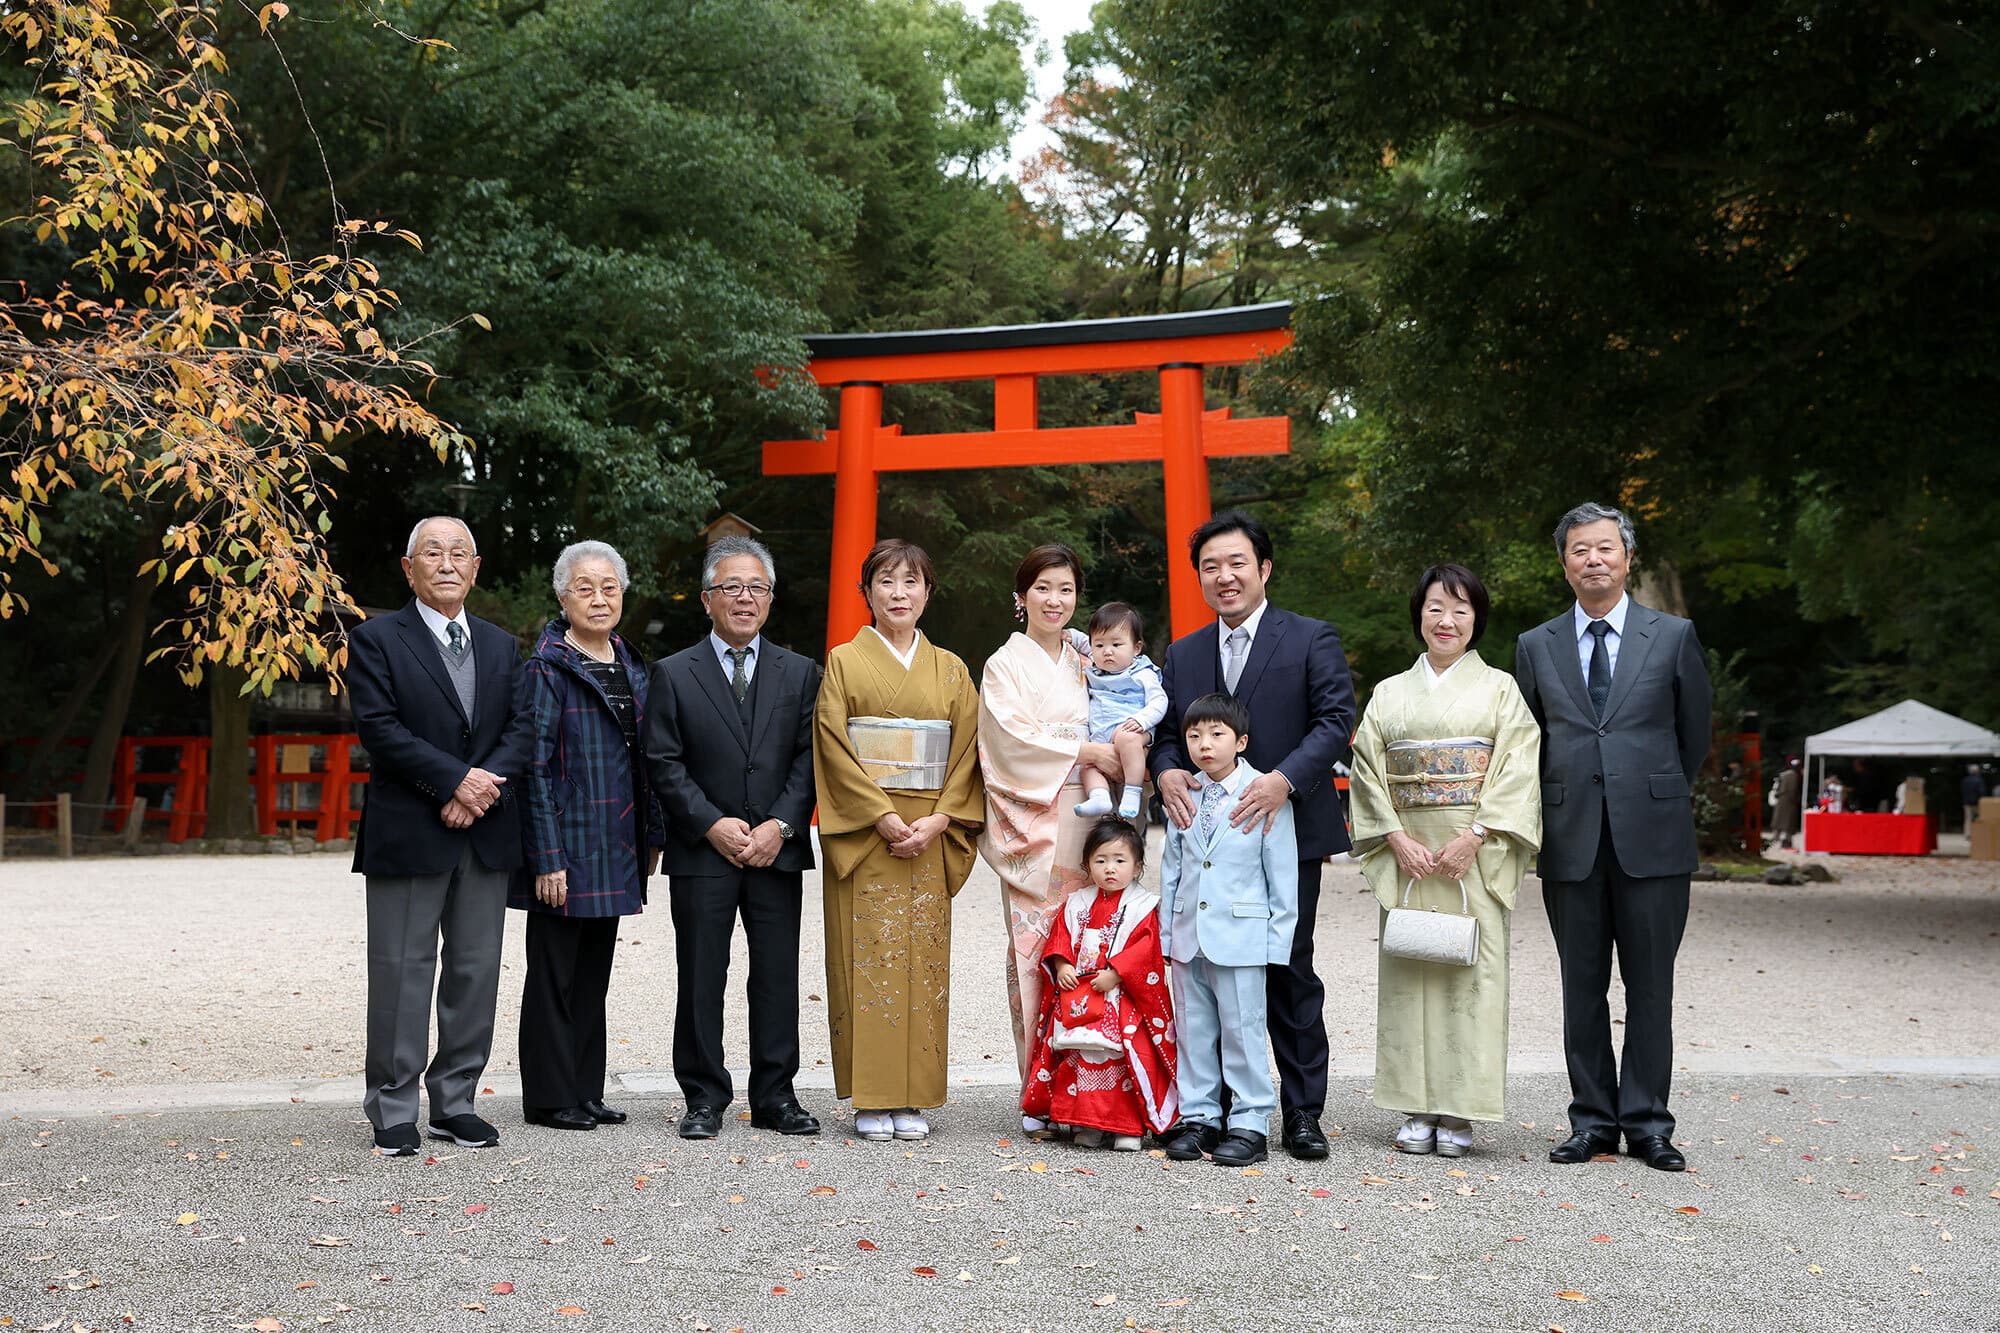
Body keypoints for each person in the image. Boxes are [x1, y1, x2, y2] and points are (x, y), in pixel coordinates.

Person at [1148, 510, 1355, 1161]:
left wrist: (1283, 780)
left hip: (1286, 827)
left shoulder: (1309, 637)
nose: (1224, 576)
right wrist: (1166, 773)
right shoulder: (1183, 653)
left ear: (1263, 568)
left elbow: (1335, 718)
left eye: (1236, 562)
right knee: (1206, 970)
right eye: (1211, 566)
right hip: (1209, 839)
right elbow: (1162, 734)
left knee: (1287, 965)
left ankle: (1299, 1110)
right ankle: (1208, 1112)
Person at [1514, 502, 1712, 1173]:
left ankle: (1649, 1122)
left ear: (1627, 557)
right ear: (1564, 562)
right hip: (1570, 837)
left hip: (1653, 836)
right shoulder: (1536, 645)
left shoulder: (1674, 635)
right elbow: (1529, 742)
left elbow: (1694, 735)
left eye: (1604, 548)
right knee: (1582, 985)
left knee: (1651, 987)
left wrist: (1647, 788)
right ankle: (1592, 1119)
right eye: (1579, 550)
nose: (1592, 559)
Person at [345, 516, 533, 1156]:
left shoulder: (502, 645)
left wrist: (482, 789)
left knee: (475, 972)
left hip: (484, 833)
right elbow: (380, 730)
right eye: (433, 552)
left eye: (460, 553)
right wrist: (455, 783)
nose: (447, 563)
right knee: (401, 971)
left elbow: (523, 730)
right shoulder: (376, 640)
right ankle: (393, 1107)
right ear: (409, 567)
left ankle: (456, 1100)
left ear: (476, 568)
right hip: (410, 830)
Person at [1347, 565, 1541, 1158]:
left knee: (1470, 976)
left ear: (1476, 617)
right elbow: (1365, 765)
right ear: (1419, 616)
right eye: (1435, 607)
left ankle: (1460, 1109)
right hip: (1409, 852)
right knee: (1411, 969)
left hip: (1471, 853)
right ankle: (1415, 1106)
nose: (1446, 620)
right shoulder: (1389, 693)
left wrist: (1477, 834)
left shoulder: (1501, 688)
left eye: (1459, 609)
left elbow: (1518, 762)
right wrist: (1395, 836)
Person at [644, 537, 823, 1140]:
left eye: (757, 588)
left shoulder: (801, 672)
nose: (744, 599)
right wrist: (709, 822)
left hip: (778, 847)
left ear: (770, 599)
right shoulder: (672, 672)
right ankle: (702, 1095)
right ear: (707, 599)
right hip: (703, 850)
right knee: (701, 974)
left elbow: (811, 759)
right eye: (732, 588)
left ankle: (775, 1094)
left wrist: (782, 825)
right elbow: (663, 761)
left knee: (776, 973)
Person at [813, 539, 984, 1142]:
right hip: (870, 833)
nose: (899, 593)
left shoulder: (952, 669)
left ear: (928, 593)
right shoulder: (843, 660)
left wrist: (942, 819)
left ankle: (913, 1096)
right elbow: (832, 743)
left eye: (911, 582)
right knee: (868, 959)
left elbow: (967, 752)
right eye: (885, 582)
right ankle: (871, 1096)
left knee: (923, 961)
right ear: (867, 593)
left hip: (931, 831)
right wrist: (879, 815)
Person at [512, 541, 664, 1133]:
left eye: (610, 588)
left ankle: (585, 1087)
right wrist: (546, 858)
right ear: (562, 595)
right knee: (554, 971)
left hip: (617, 839)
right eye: (585, 588)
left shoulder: (631, 663)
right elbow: (533, 770)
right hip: (567, 843)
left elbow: (648, 758)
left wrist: (653, 833)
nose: (598, 599)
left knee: (593, 970)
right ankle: (550, 1097)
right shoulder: (546, 668)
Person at [976, 544, 1125, 1127]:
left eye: (1065, 589)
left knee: (1098, 946)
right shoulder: (1002, 665)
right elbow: (1007, 744)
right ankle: (1041, 1088)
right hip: (1036, 822)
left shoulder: (1089, 655)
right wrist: (1083, 749)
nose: (1055, 600)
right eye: (1042, 588)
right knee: (1039, 956)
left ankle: (1094, 1086)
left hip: (1093, 815)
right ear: (1021, 597)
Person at [1157, 693, 1299, 1167]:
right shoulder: (1184, 792)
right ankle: (1199, 1117)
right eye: (1194, 736)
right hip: (1188, 932)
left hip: (1242, 935)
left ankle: (1250, 1121)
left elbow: (1281, 874)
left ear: (1240, 740)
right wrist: (1166, 935)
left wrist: (1276, 942)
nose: (1204, 745)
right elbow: (1172, 867)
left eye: (1216, 734)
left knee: (1242, 1029)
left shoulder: (1263, 791)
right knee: (1193, 1029)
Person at [1019, 818, 1178, 1150]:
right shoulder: (1077, 903)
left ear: (1137, 868)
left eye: (1120, 861)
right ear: (1087, 865)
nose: (1110, 869)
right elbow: (1060, 938)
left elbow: (1146, 947)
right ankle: (1087, 1123)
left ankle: (1127, 1128)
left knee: (1122, 1059)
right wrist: (1062, 964)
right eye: (1100, 860)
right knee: (1081, 1056)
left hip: (1121, 999)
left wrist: (1117, 973)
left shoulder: (1143, 906)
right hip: (1082, 996)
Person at [1070, 603, 1167, 821]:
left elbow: (1160, 701)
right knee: (1088, 768)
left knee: (1128, 741)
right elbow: (1086, 642)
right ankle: (1099, 796)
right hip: (1101, 733)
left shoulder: (1140, 673)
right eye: (1100, 645)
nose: (1108, 651)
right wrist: (1069, 636)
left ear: (1136, 648)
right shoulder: (1097, 664)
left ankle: (1132, 791)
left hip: (1129, 726)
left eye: (1116, 644)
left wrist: (1141, 720)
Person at [1771, 757, 1803, 850]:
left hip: (1781, 799)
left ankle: (1776, 838)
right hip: (1789, 801)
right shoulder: (1794, 776)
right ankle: (1786, 840)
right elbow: (1792, 790)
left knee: (1779, 820)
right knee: (1788, 822)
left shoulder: (1784, 774)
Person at [1962, 764, 1988, 834]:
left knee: (1968, 819)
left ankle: (1968, 833)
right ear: (1976, 771)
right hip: (1977, 802)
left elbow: (1963, 791)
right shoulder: (1979, 780)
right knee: (1979, 818)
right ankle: (1978, 833)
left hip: (1967, 802)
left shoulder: (1965, 780)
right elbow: (1982, 792)